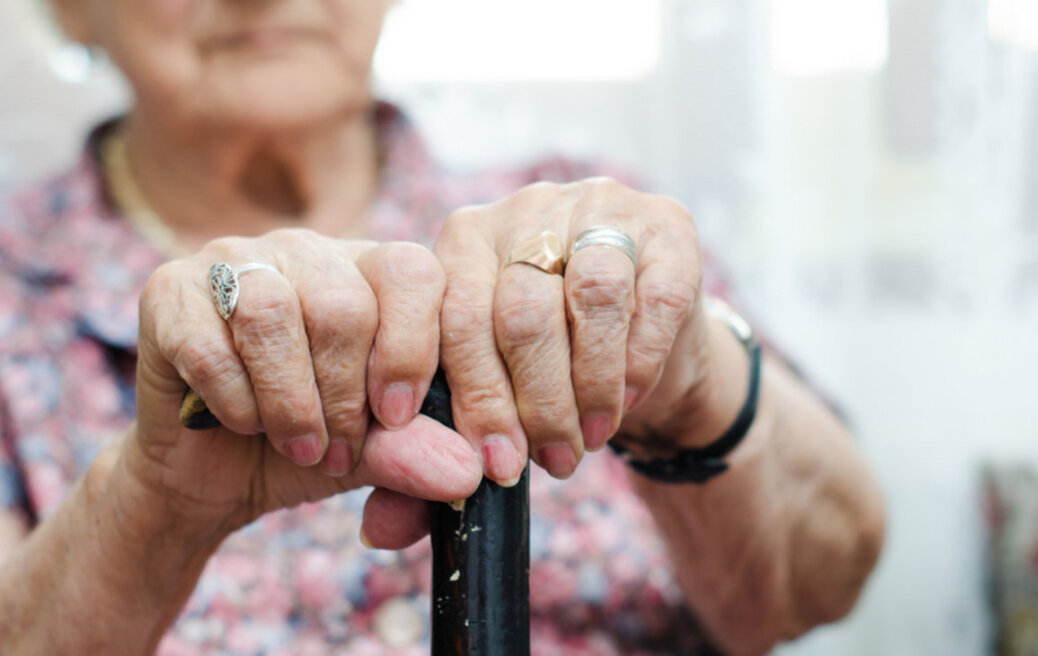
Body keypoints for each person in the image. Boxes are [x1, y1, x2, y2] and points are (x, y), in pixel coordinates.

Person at [0, 1, 885, 654]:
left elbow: (818, 585)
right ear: (67, 11)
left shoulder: (590, 227)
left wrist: (691, 378)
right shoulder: (15, 297)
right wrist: (150, 506)